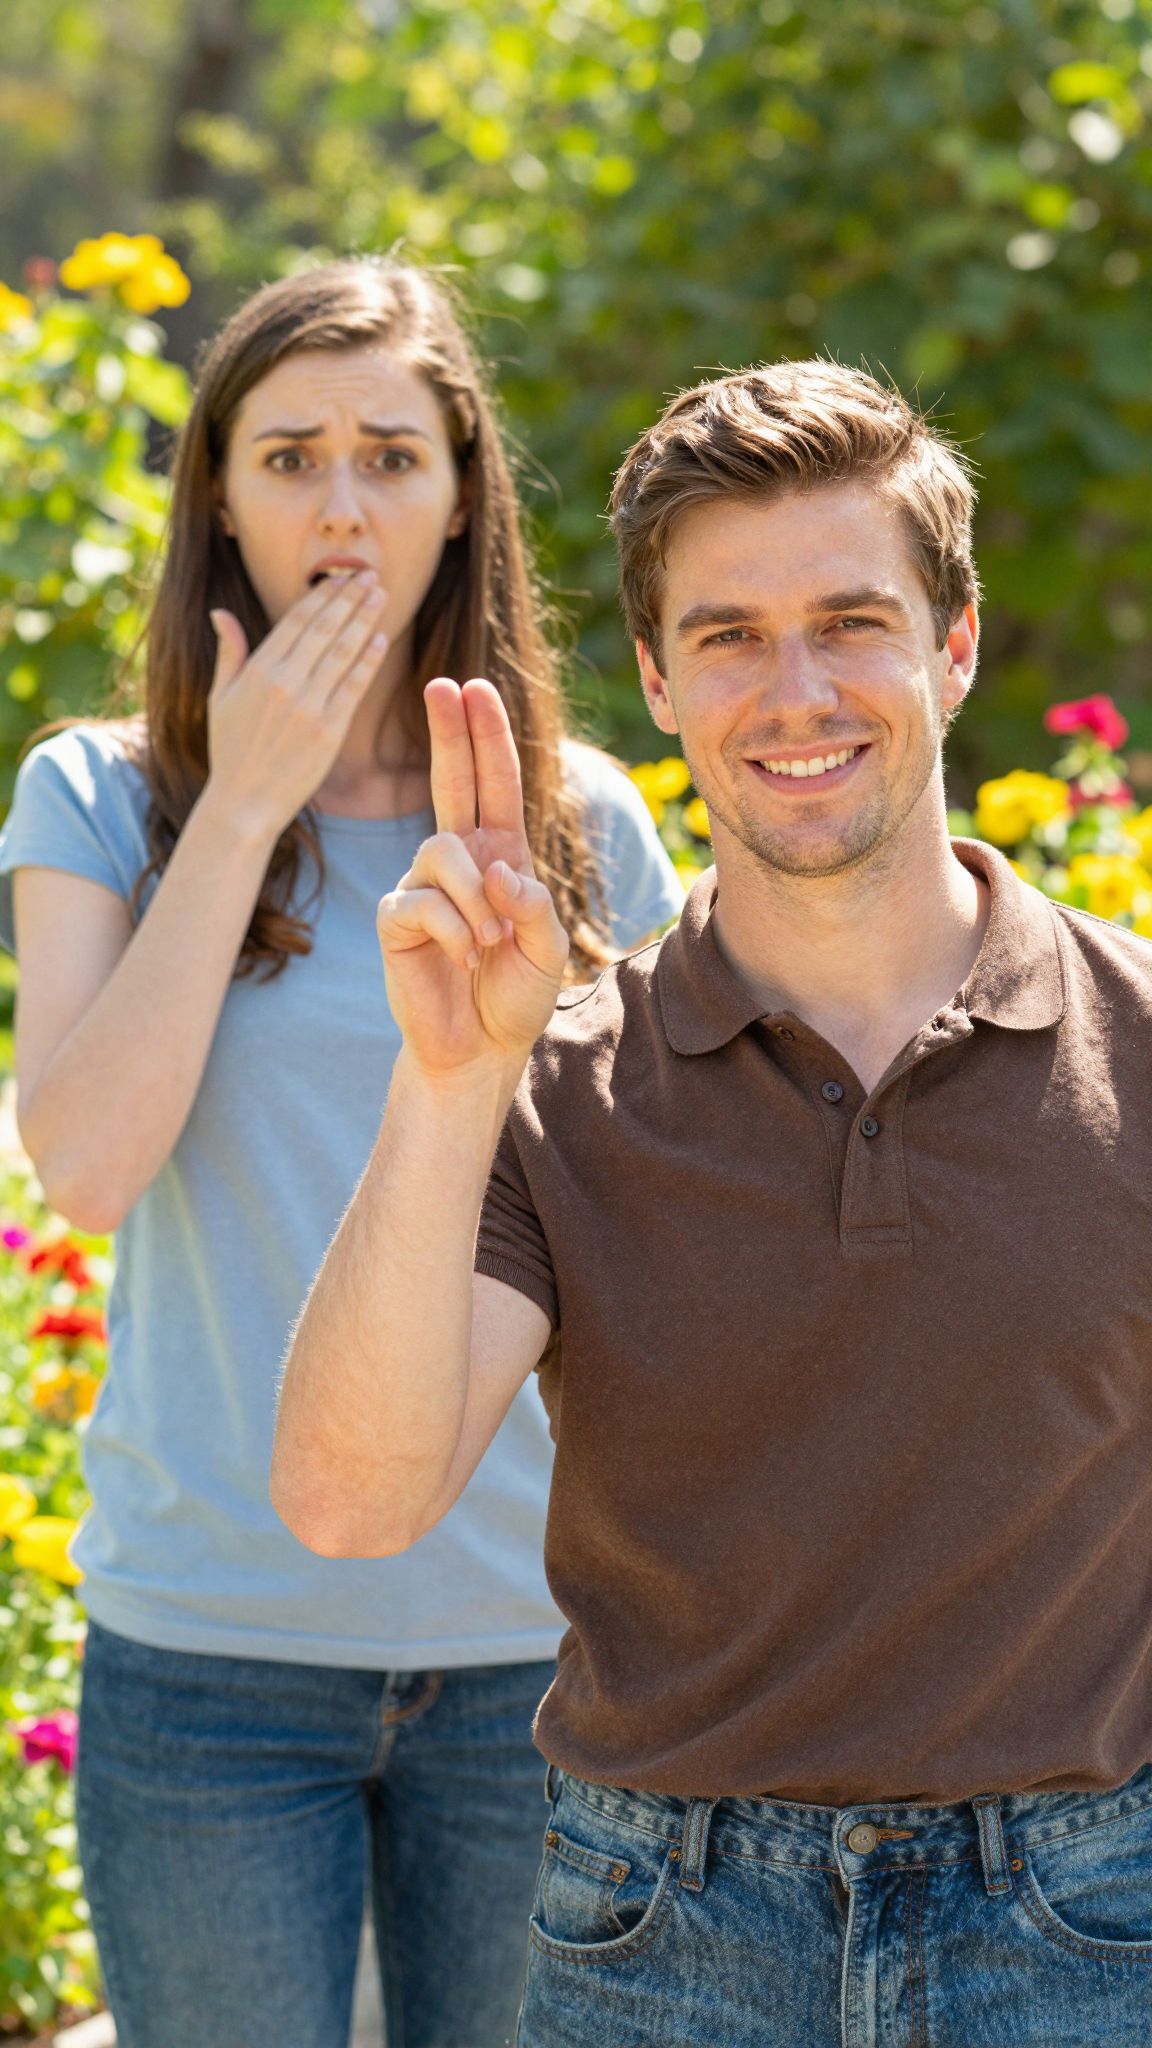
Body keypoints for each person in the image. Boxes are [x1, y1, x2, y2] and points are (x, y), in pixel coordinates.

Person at [274, 357, 1152, 2048]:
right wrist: (452, 1079)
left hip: (1088, 1929)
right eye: (731, 636)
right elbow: (349, 1501)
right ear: (662, 686)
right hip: (665, 1937)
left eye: (852, 621)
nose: (797, 690)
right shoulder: (556, 1078)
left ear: (952, 647)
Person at [0, 257, 682, 2048]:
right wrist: (238, 804)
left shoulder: (582, 816)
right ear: (218, 494)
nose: (343, 504)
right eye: (290, 455)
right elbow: (79, 1170)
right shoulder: (98, 794)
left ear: (463, 498)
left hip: (530, 1662)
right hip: (210, 1660)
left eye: (392, 454)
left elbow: (659, 1227)